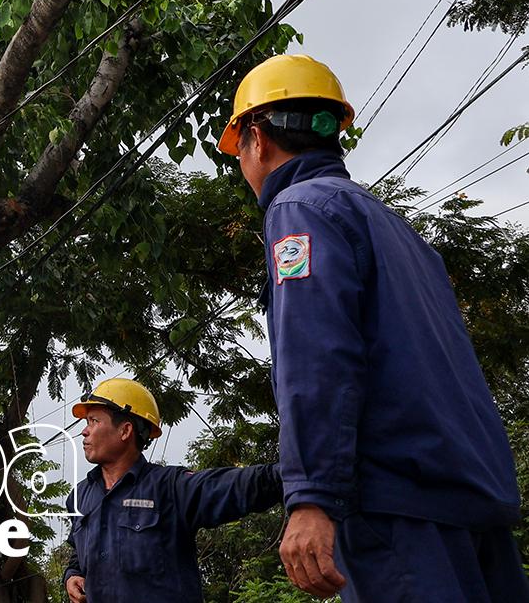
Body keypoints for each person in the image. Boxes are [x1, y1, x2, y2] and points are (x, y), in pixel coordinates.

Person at [222, 54, 528, 602]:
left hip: (398, 509)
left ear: (257, 138)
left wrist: (312, 497)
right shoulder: (394, 226)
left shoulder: (299, 211)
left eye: (237, 146)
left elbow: (317, 357)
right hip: (470, 497)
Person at [61, 378, 282, 603]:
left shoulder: (170, 488)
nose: (84, 432)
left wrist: (294, 473)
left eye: (93, 421)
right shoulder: (80, 497)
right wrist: (73, 575)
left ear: (125, 431)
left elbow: (235, 485)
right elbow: (78, 554)